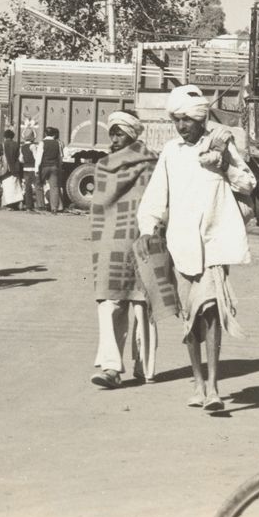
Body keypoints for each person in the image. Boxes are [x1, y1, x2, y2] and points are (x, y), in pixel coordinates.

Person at [137, 84, 250, 411]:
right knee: (191, 318)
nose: (182, 126)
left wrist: (224, 164)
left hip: (213, 245)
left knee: (211, 311)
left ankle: (213, 388)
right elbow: (155, 197)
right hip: (180, 245)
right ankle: (199, 383)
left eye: (187, 120)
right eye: (177, 120)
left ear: (201, 119)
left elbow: (248, 182)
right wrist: (148, 228)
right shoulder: (172, 152)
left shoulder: (220, 147)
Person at [89, 111, 160, 389]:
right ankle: (111, 368)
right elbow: (100, 206)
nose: (114, 139)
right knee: (110, 302)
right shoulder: (104, 165)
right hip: (111, 241)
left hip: (144, 238)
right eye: (112, 133)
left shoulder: (152, 164)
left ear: (132, 134)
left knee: (144, 304)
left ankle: (146, 367)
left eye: (119, 133)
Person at [38, 126, 64, 213]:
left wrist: (36, 169)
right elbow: (60, 157)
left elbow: (39, 157)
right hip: (54, 167)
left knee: (39, 185)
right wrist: (59, 167)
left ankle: (41, 206)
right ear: (53, 134)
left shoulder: (42, 143)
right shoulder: (58, 143)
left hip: (44, 166)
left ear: (45, 133)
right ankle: (54, 208)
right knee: (55, 187)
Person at [0, 129, 24, 210]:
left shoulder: (1, 145)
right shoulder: (16, 145)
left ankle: (8, 205)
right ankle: (17, 203)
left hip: (5, 169)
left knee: (7, 187)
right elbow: (20, 157)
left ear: (5, 137)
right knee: (15, 186)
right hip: (15, 168)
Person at [20, 128, 40, 212]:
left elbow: (21, 159)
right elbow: (36, 157)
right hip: (33, 169)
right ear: (33, 137)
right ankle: (39, 205)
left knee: (27, 188)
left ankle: (29, 206)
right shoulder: (33, 146)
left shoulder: (22, 147)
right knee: (37, 187)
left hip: (25, 169)